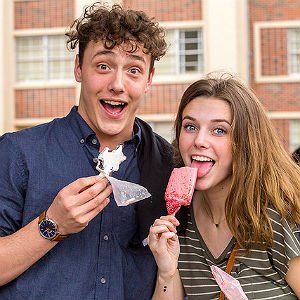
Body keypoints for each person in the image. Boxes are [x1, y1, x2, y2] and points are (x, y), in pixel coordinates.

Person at [0, 3, 173, 300]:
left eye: (134, 70)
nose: (117, 84)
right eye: (103, 66)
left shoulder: (168, 164)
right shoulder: (18, 152)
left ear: (149, 80)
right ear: (79, 68)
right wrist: (52, 224)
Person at [148, 75, 300, 299]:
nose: (199, 140)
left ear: (246, 142)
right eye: (190, 126)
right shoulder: (180, 219)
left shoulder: (278, 215)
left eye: (219, 130)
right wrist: (167, 273)